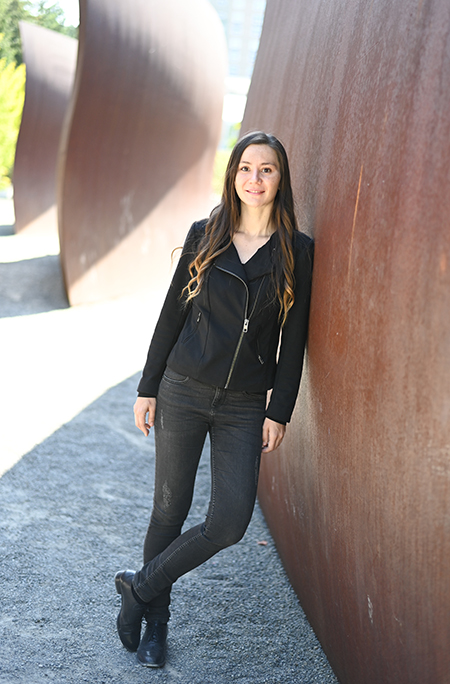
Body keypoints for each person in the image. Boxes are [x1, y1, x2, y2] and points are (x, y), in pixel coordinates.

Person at [114, 131, 314, 668]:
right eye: (246, 168)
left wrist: (280, 409)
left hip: (245, 404)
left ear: (280, 179)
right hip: (183, 390)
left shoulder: (297, 250)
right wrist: (147, 386)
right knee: (169, 509)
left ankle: (140, 585)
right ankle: (156, 623)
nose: (255, 179)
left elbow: (295, 340)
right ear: (233, 175)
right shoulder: (206, 235)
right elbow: (171, 315)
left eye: (266, 170)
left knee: (230, 520)